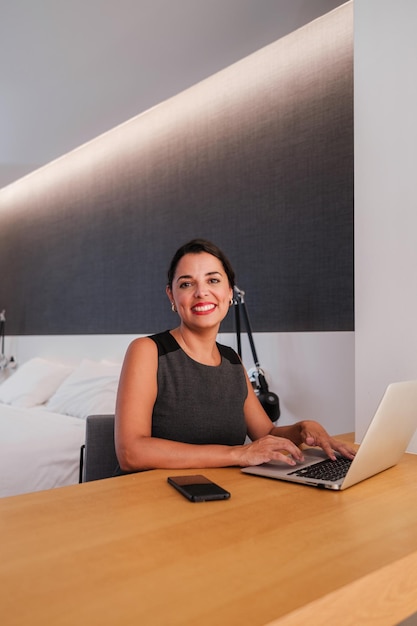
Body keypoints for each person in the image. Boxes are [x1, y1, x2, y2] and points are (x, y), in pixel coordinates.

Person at [115, 238, 355, 472]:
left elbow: (266, 435)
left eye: (213, 280)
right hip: (151, 500)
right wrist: (238, 453)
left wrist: (303, 428)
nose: (201, 292)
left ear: (229, 292)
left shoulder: (232, 361)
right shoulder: (148, 350)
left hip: (218, 496)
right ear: (172, 296)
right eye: (186, 284)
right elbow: (131, 453)